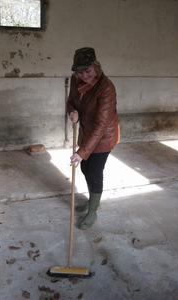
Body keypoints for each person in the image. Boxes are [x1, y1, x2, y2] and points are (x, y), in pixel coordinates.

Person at [67, 47, 120, 230]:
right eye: (79, 72)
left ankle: (93, 210)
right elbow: (71, 101)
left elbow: (101, 125)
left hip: (103, 137)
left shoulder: (106, 88)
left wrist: (82, 152)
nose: (84, 76)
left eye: (87, 71)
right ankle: (92, 201)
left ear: (96, 66)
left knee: (94, 171)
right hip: (87, 132)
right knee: (85, 167)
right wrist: (72, 112)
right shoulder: (76, 81)